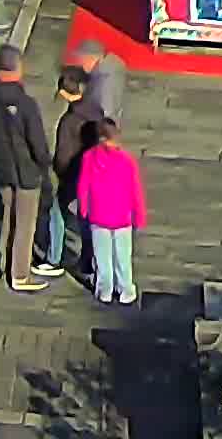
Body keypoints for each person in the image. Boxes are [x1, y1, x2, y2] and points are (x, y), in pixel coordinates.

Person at [0, 47, 52, 293]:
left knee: (8, 217)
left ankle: (5, 264)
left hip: (2, 168)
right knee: (25, 224)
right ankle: (20, 273)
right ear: (19, 69)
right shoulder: (26, 104)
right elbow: (38, 144)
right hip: (27, 172)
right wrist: (44, 165)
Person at [70, 118, 147, 305]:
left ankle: (105, 290)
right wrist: (139, 215)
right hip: (122, 217)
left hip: (98, 215)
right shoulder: (127, 161)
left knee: (102, 257)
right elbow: (135, 190)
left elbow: (83, 187)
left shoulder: (89, 157)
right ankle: (126, 290)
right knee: (122, 257)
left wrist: (84, 209)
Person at [42, 70, 91, 277]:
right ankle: (88, 261)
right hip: (91, 174)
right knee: (87, 219)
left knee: (57, 211)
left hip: (72, 174)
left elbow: (63, 154)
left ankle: (54, 259)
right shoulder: (94, 110)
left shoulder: (69, 121)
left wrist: (59, 172)